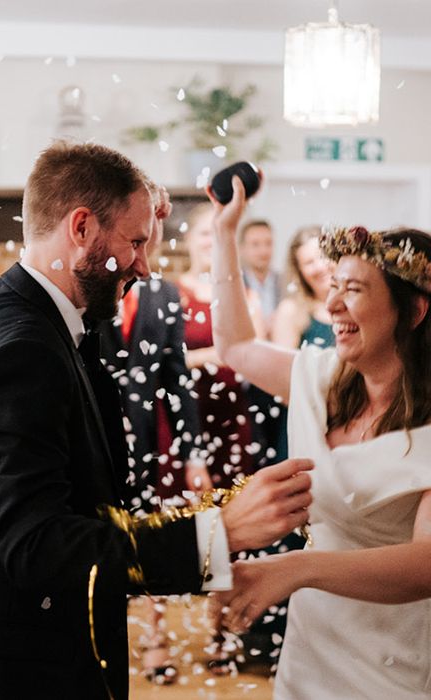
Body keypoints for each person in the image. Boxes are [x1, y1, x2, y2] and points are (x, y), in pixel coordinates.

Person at [0, 141, 313, 700]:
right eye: (136, 243)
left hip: (5, 639)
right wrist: (223, 531)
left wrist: (138, 217)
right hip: (21, 669)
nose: (144, 264)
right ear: (81, 227)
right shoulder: (24, 351)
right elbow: (38, 547)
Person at [208, 175, 431, 699]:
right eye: (333, 286)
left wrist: (292, 568)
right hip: (311, 653)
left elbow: (426, 564)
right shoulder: (321, 377)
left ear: (415, 312)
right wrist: (225, 232)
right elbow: (236, 344)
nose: (332, 304)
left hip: (397, 664)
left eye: (353, 289)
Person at [98, 183, 204, 685]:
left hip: (146, 442)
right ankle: (106, 636)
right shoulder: (93, 286)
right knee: (102, 538)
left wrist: (193, 449)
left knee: (148, 530)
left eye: (153, 237)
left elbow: (177, 379)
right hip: (97, 437)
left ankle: (157, 639)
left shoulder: (164, 295)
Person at [176, 202, 262, 487]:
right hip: (186, 416)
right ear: (188, 238)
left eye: (218, 234)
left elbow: (257, 359)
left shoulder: (244, 296)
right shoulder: (172, 294)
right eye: (204, 233)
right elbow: (164, 360)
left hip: (232, 415)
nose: (210, 241)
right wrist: (215, 355)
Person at [272, 225, 334, 350]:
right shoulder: (290, 311)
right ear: (299, 272)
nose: (320, 267)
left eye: (323, 256)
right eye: (309, 263)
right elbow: (283, 367)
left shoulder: (359, 305)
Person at [239, 219, 283, 337]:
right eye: (255, 244)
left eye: (268, 243)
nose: (263, 251)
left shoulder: (286, 283)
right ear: (242, 249)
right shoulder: (235, 286)